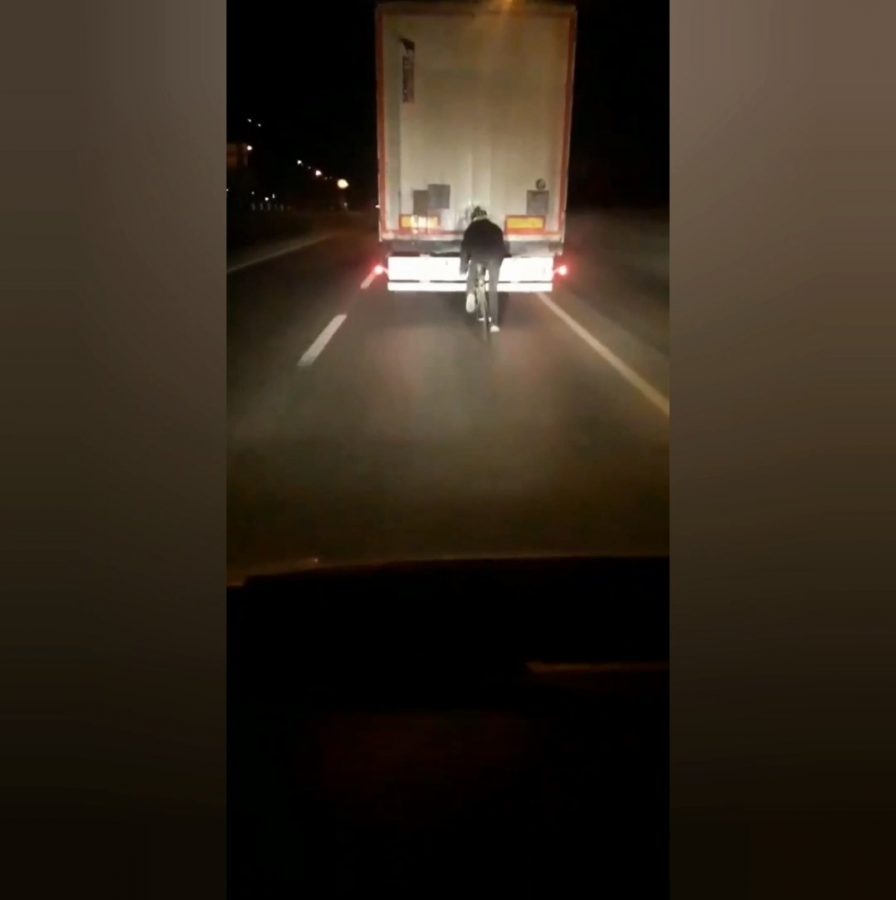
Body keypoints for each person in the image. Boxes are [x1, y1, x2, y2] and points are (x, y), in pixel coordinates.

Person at [459, 206, 508, 333]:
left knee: (472, 273)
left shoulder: (471, 229)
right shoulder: (496, 228)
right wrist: (498, 262)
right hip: (494, 257)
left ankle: (470, 292)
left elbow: (465, 249)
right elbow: (502, 247)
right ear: (486, 216)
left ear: (474, 218)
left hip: (478, 256)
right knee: (493, 289)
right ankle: (494, 324)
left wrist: (463, 267)